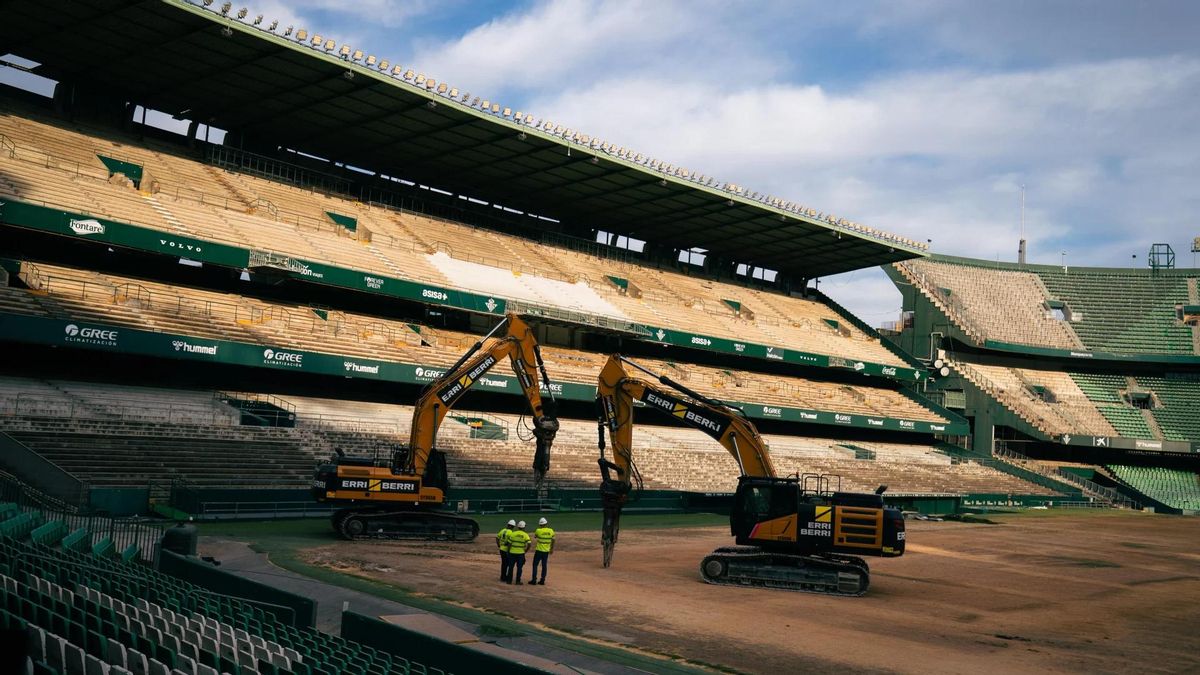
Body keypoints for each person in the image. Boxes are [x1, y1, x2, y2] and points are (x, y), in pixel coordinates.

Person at [530, 517, 555, 585]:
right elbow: (553, 539)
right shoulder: (551, 530)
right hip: (546, 551)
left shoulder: (538, 530)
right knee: (544, 566)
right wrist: (551, 548)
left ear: (540, 524)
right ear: (546, 523)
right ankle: (542, 580)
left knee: (535, 565)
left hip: (539, 550)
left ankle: (534, 580)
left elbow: (535, 536)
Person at [506, 520, 532, 585]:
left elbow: (509, 543)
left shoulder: (513, 533)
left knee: (511, 567)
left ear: (518, 527)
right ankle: (518, 581)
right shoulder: (525, 535)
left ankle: (509, 581)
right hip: (520, 554)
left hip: (512, 553)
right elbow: (529, 544)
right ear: (524, 527)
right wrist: (525, 550)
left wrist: (508, 551)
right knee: (519, 568)